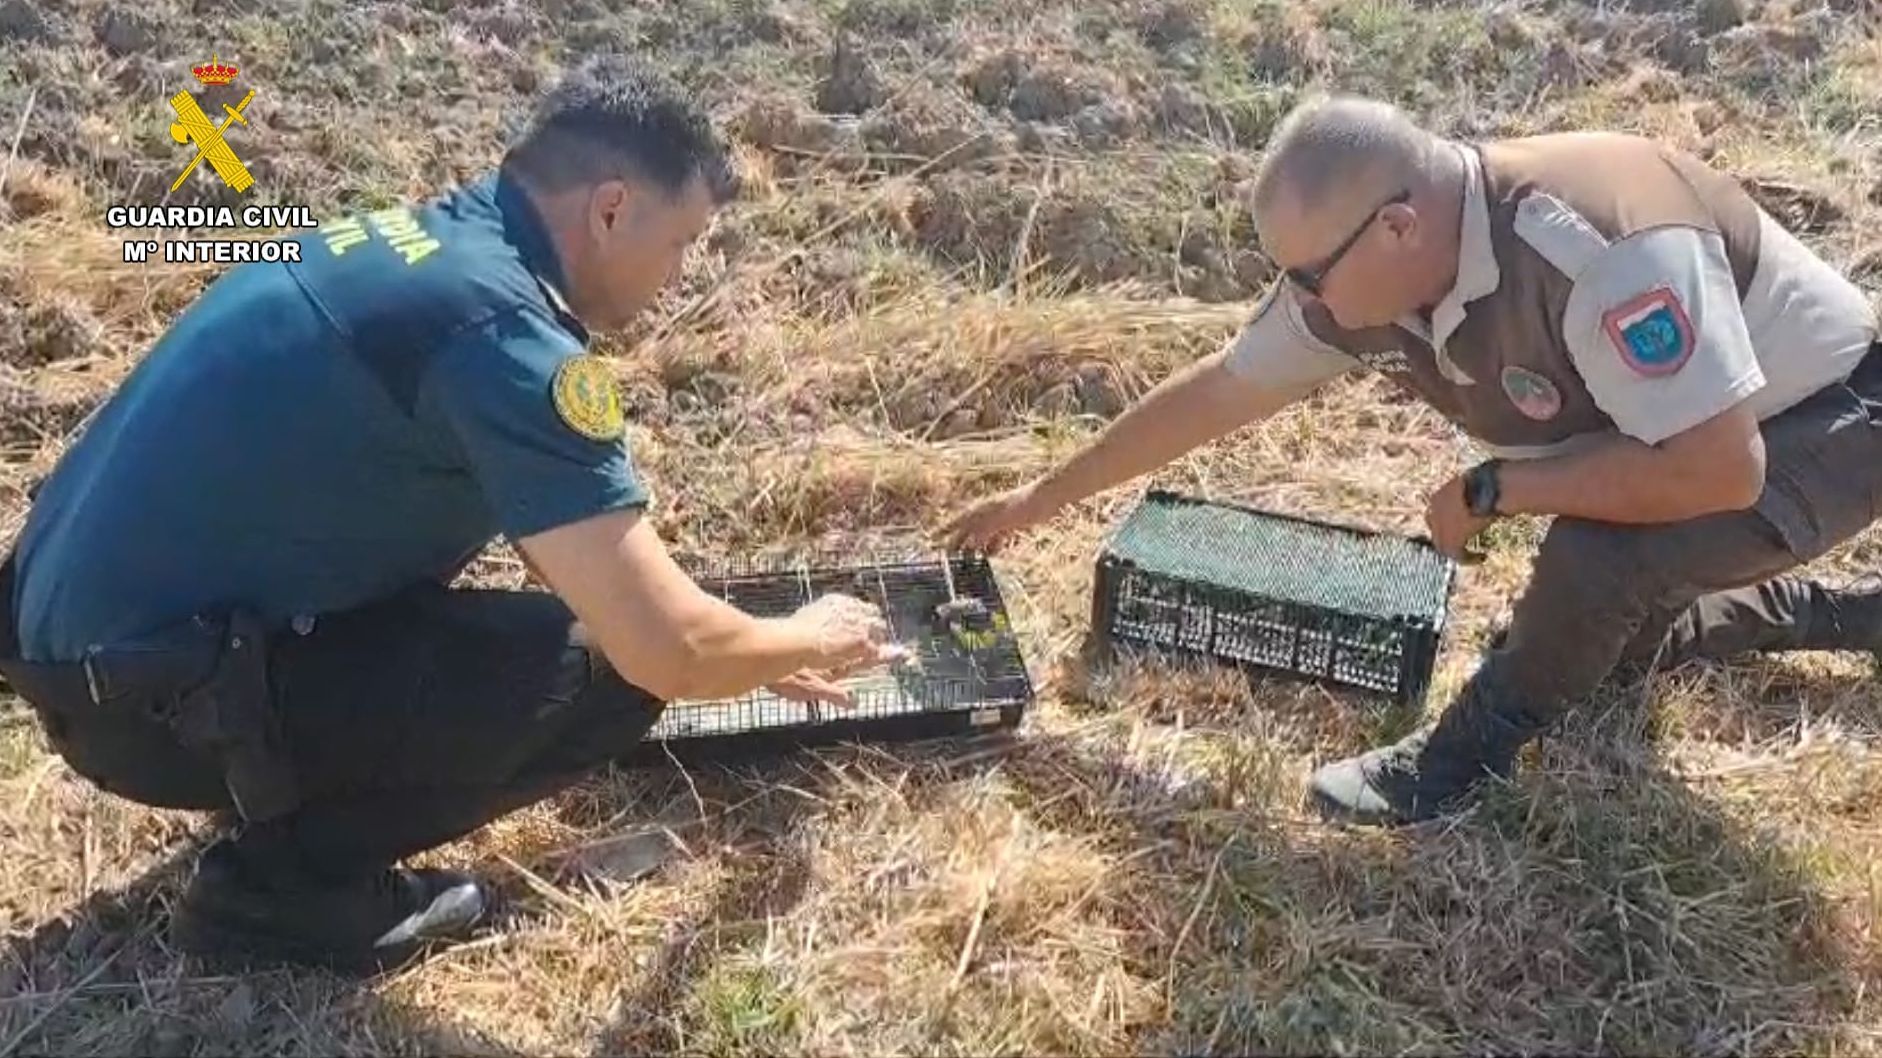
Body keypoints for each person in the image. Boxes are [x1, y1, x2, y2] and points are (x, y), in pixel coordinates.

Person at [0, 56, 901, 975]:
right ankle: (280, 892)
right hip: (142, 710)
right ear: (612, 209)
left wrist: (745, 641)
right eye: (681, 244)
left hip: (74, 644)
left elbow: (578, 558)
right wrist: (799, 636)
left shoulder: (401, 245)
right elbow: (662, 650)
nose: (678, 275)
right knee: (608, 682)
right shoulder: (503, 341)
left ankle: (275, 767)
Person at [941, 94, 1882, 828]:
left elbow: (1718, 471)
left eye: (1310, 273)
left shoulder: (1597, 250)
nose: (1300, 298)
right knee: (1602, 655)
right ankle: (1839, 617)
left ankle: (1452, 763)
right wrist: (1044, 494)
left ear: (1398, 225)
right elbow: (1225, 389)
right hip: (1689, 438)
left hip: (1827, 424)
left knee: (1601, 561)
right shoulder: (1369, 281)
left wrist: (1496, 488)